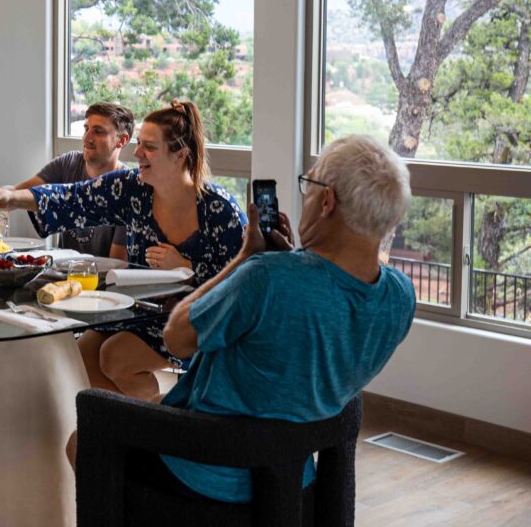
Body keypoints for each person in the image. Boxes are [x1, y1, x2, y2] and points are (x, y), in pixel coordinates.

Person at [154, 135, 415, 503]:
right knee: (150, 397)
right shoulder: (401, 297)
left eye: (308, 185)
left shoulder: (267, 278)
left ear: (327, 201)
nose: (303, 196)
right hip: (292, 477)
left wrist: (245, 259)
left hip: (208, 472)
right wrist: (289, 264)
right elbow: (318, 313)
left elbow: (176, 337)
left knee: (83, 439)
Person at [0, 100, 245, 402]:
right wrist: (11, 198)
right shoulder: (132, 188)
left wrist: (189, 269)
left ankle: (154, 424)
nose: (137, 154)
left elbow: (243, 283)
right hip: (143, 312)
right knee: (83, 354)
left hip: (196, 321)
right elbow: (73, 197)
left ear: (180, 155)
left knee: (115, 356)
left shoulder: (220, 210)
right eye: (139, 144)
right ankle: (141, 421)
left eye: (149, 147)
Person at [15, 102, 135, 259]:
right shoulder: (69, 162)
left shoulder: (127, 188)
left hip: (99, 280)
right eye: (86, 129)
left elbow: (116, 265)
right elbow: (19, 193)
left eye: (98, 132)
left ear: (122, 140)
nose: (87, 138)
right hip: (61, 275)